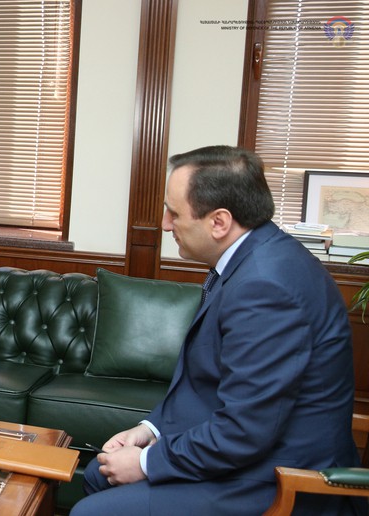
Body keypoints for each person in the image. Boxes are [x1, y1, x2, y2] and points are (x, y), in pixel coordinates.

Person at [71, 146, 366, 516]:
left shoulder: (267, 286)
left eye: (174, 213)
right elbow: (207, 386)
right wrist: (151, 430)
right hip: (251, 455)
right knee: (99, 474)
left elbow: (245, 431)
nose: (164, 224)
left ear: (219, 222)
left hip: (276, 477)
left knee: (90, 512)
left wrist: (147, 462)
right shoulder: (250, 258)